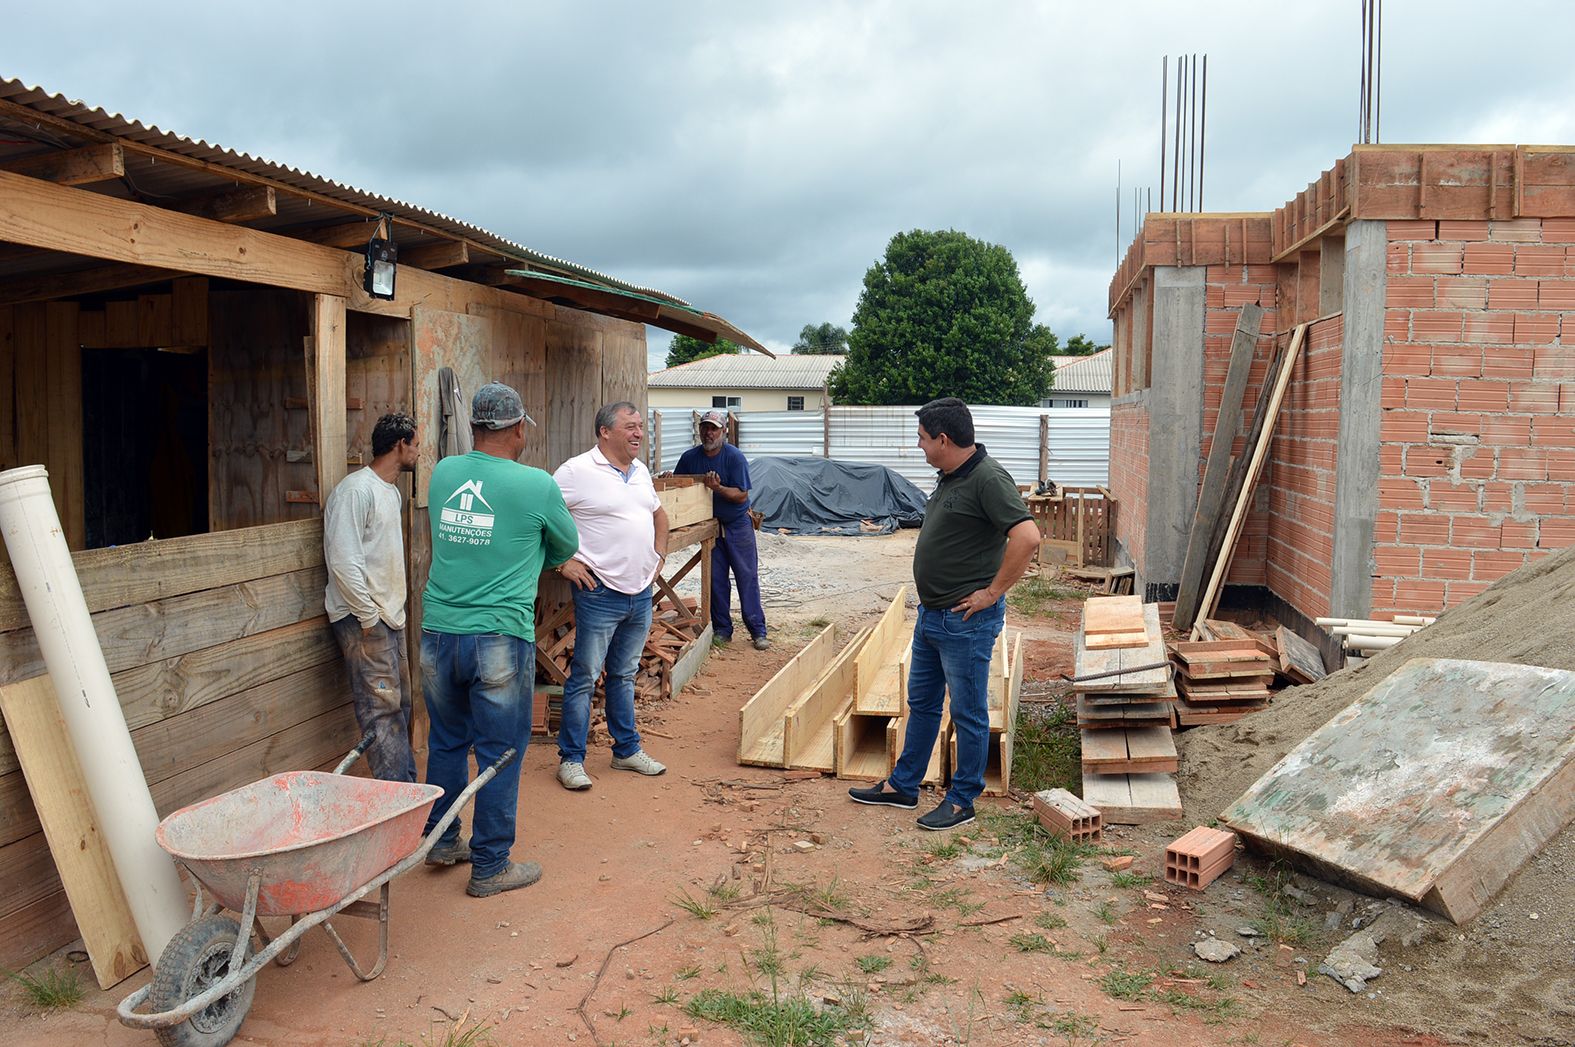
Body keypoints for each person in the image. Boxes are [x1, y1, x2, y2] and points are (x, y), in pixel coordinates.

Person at [848, 397, 1039, 830]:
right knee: (923, 704)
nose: (919, 445)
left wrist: (991, 593)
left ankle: (962, 799)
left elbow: (1027, 537)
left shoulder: (989, 479)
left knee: (968, 712)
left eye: (921, 438)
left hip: (965, 621)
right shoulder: (951, 476)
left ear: (944, 439)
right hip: (933, 616)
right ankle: (904, 786)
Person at [421, 382, 580, 896]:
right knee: (500, 751)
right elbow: (565, 545)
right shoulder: (536, 485)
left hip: (438, 633)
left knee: (446, 740)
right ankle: (490, 865)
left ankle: (442, 841)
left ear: (474, 427)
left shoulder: (444, 473)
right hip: (497, 637)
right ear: (517, 428)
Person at [551, 401, 670, 791]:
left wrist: (660, 554)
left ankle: (626, 751)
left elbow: (659, 515)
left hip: (640, 592)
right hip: (599, 591)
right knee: (584, 676)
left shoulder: (639, 473)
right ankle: (571, 759)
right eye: (630, 427)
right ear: (605, 432)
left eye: (640, 427)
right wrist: (562, 563)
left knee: (623, 674)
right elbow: (539, 517)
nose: (639, 433)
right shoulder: (576, 471)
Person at [323, 412, 420, 783]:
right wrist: (368, 618)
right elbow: (344, 562)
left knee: (400, 706)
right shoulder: (355, 491)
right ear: (400, 445)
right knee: (381, 711)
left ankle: (407, 793)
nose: (419, 453)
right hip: (363, 618)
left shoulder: (390, 492)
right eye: (416, 445)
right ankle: (394, 800)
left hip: (388, 618)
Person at [675, 410, 768, 649]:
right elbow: (679, 487)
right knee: (716, 581)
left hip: (738, 525)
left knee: (746, 577)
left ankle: (758, 631)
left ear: (723, 431)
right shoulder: (689, 458)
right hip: (711, 527)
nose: (708, 433)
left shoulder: (734, 457)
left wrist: (717, 488)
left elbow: (741, 495)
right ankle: (722, 630)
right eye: (705, 427)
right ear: (699, 430)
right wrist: (669, 479)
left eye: (714, 428)